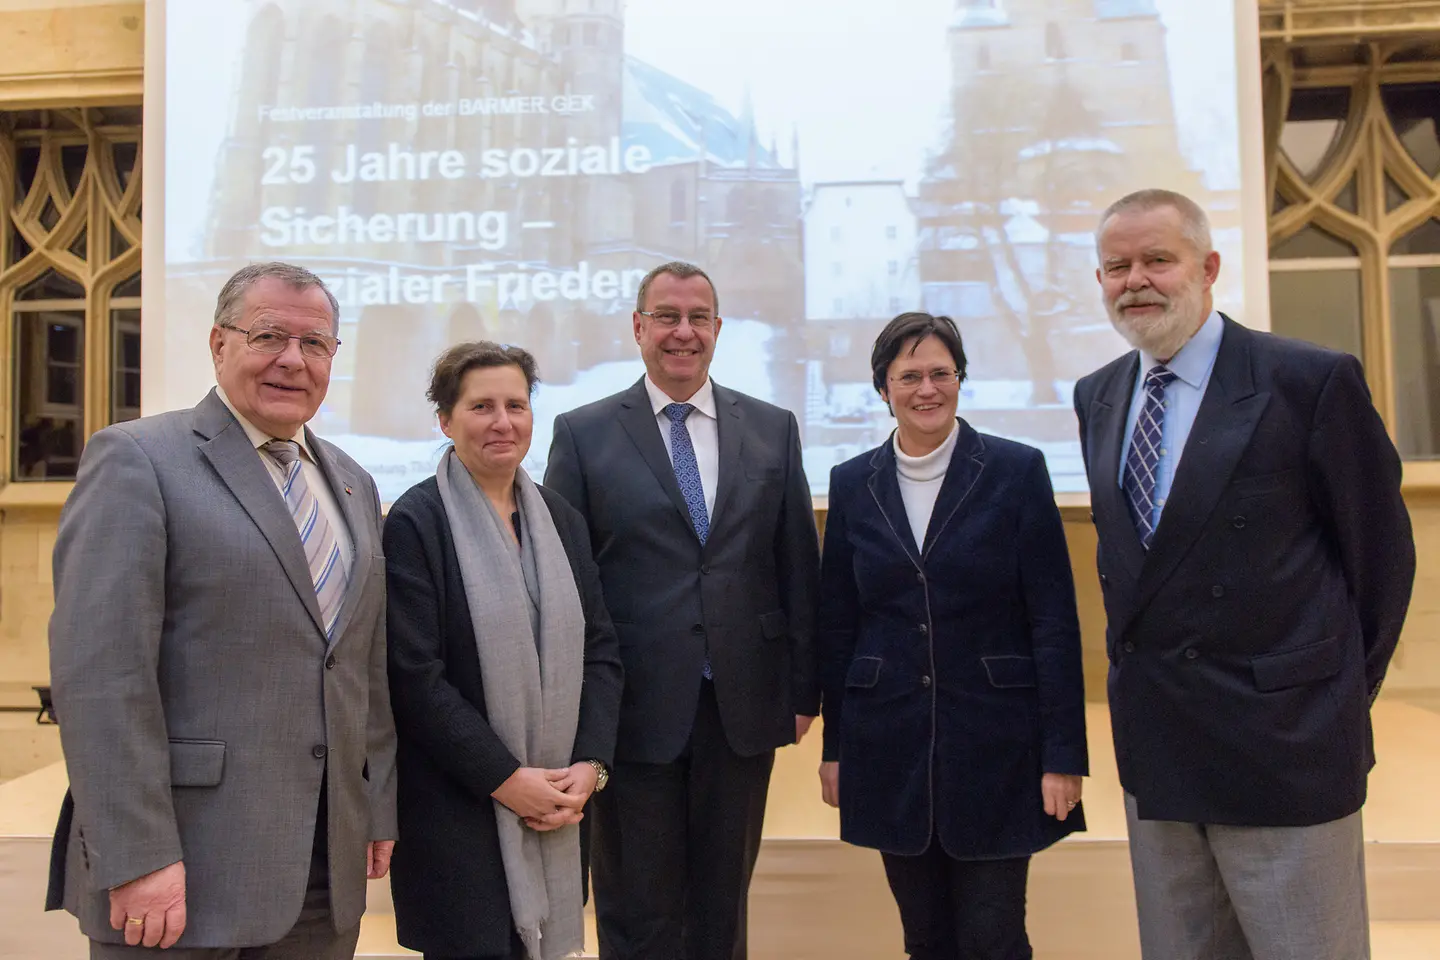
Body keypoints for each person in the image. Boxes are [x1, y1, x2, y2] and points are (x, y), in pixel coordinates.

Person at [1075, 188, 1416, 960]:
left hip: (1285, 750)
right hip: (1160, 753)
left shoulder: (1308, 381)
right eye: (1117, 267)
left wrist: (1328, 696)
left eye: (1158, 260)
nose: (1136, 281)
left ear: (1209, 268)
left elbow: (1381, 558)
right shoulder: (1098, 396)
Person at [45, 262, 398, 958]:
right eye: (268, 336)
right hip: (184, 863)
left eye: (315, 343)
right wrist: (138, 856)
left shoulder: (354, 483)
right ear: (218, 343)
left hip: (323, 865)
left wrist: (374, 803)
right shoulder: (138, 459)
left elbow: (361, 666)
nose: (292, 360)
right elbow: (101, 680)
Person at [544, 261, 820, 960]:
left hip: (742, 708)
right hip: (630, 712)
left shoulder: (773, 428)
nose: (683, 332)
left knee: (722, 909)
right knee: (638, 911)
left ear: (718, 329)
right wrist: (574, 708)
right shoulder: (582, 433)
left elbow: (797, 566)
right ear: (638, 327)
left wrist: (803, 691)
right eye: (666, 316)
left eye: (698, 317)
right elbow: (563, 582)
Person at [817, 312, 1087, 960]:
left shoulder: (1017, 470)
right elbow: (840, 623)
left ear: (961, 380)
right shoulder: (852, 483)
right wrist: (835, 749)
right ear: (883, 387)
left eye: (941, 373)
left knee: (994, 938)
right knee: (926, 939)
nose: (927, 389)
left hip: (999, 745)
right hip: (888, 745)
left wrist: (1064, 755)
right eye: (909, 375)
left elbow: (1053, 619)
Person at [383, 342, 623, 960]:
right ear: (445, 420)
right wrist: (505, 779)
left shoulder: (562, 519)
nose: (502, 422)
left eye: (516, 405)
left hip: (559, 801)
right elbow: (414, 677)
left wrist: (590, 766)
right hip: (457, 810)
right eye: (481, 406)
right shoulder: (416, 522)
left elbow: (601, 651)